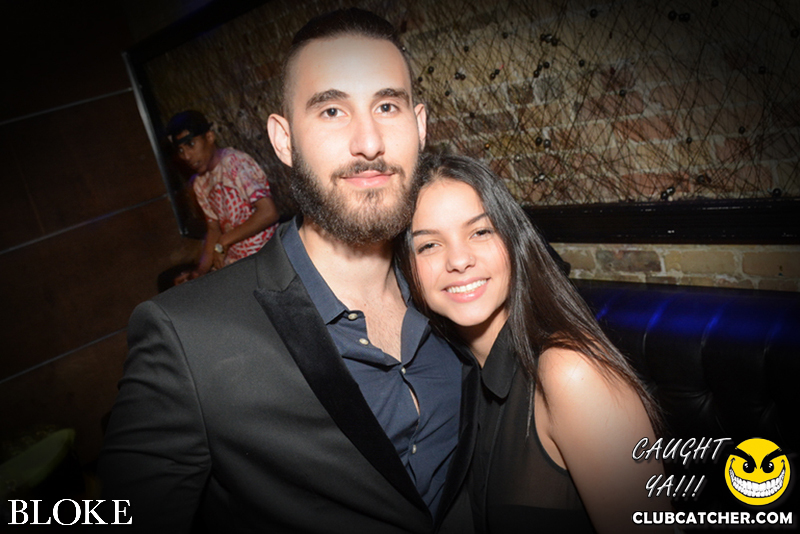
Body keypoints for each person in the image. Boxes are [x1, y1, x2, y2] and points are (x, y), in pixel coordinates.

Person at [99, 9, 475, 533]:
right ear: (283, 140)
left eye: (387, 106)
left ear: (419, 125)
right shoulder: (187, 338)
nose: (369, 142)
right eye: (332, 111)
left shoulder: (461, 289)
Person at [398, 154, 672, 534]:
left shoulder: (571, 373)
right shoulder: (450, 376)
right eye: (429, 245)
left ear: (514, 240)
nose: (458, 260)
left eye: (480, 232)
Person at [165, 110, 280, 284]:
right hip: (235, 264)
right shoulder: (200, 183)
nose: (186, 156)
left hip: (265, 258)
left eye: (191, 144)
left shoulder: (234, 163)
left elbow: (268, 212)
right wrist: (200, 272)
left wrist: (224, 241)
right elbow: (214, 229)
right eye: (181, 150)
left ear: (210, 137)